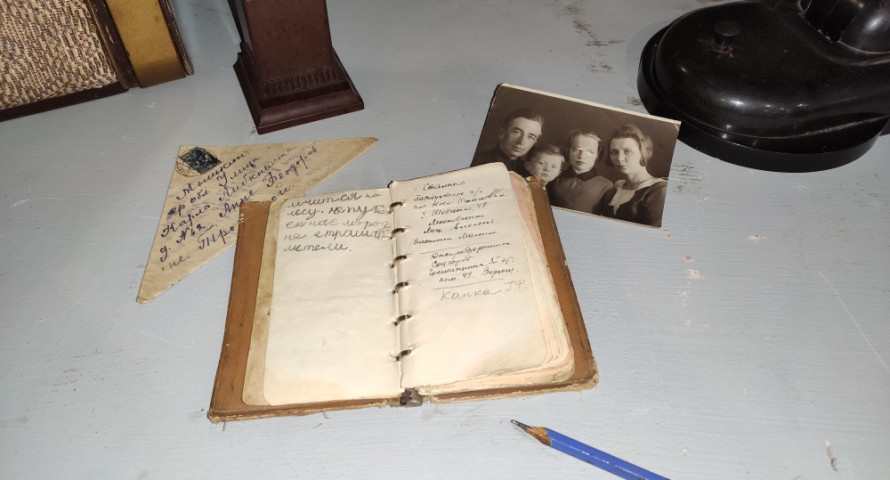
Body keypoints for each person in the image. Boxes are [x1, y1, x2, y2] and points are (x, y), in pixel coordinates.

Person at [594, 124, 667, 227]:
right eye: (614, 152)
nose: (620, 158)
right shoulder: (613, 191)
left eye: (627, 151)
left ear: (642, 152)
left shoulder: (659, 191)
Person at [549, 130, 612, 211]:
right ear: (568, 151)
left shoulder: (606, 186)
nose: (581, 156)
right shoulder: (554, 178)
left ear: (597, 155)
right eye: (576, 149)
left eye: (590, 152)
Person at [471, 109, 543, 174]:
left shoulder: (528, 172)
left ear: (535, 141)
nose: (521, 142)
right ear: (502, 133)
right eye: (516, 132)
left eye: (531, 137)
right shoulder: (477, 161)